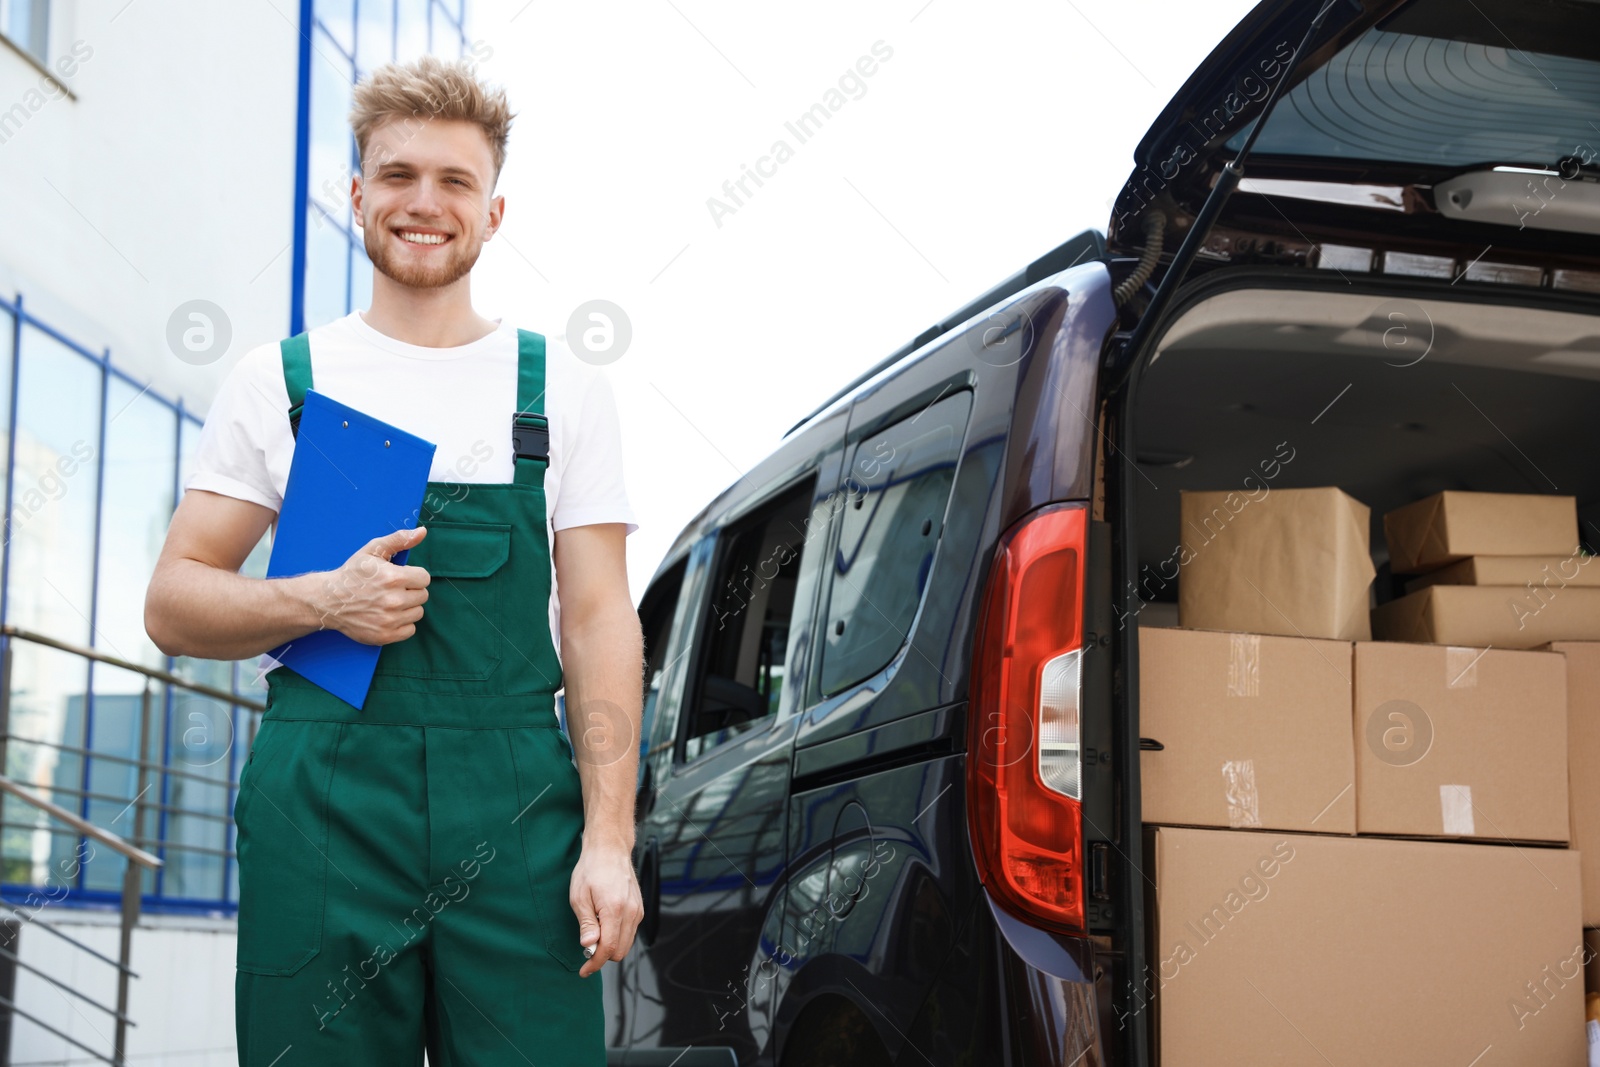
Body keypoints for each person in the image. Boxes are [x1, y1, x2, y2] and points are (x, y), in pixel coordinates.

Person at [144, 54, 644, 1066]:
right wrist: (321, 596)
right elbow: (172, 602)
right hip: (324, 796)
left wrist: (608, 838)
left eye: (456, 181)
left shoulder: (557, 390)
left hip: (513, 807)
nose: (426, 203)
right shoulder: (285, 381)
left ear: (494, 211)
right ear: (356, 194)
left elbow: (598, 620)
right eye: (400, 175)